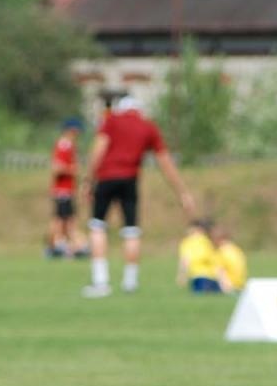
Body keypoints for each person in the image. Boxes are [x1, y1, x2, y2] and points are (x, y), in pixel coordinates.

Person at [83, 94, 197, 298]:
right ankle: (130, 281)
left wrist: (88, 180)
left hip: (107, 178)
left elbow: (99, 149)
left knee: (98, 227)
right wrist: (182, 192)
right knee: (131, 230)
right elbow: (165, 162)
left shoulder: (112, 121)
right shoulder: (148, 127)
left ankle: (100, 282)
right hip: (130, 181)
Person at [46, 118, 86, 259]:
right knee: (62, 221)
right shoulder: (64, 145)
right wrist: (73, 169)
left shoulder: (70, 145)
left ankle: (63, 245)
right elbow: (56, 167)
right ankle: (55, 247)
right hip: (62, 190)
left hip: (67, 190)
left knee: (65, 220)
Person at [175, 219, 222, 293]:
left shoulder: (187, 242)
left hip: (198, 277)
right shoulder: (207, 242)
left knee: (200, 295)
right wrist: (221, 279)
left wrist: (182, 275)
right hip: (210, 277)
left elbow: (185, 260)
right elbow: (215, 263)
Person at [213, 226, 248, 293]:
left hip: (229, 285)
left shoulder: (221, 252)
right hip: (241, 284)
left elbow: (220, 272)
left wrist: (226, 289)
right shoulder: (237, 250)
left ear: (217, 239)